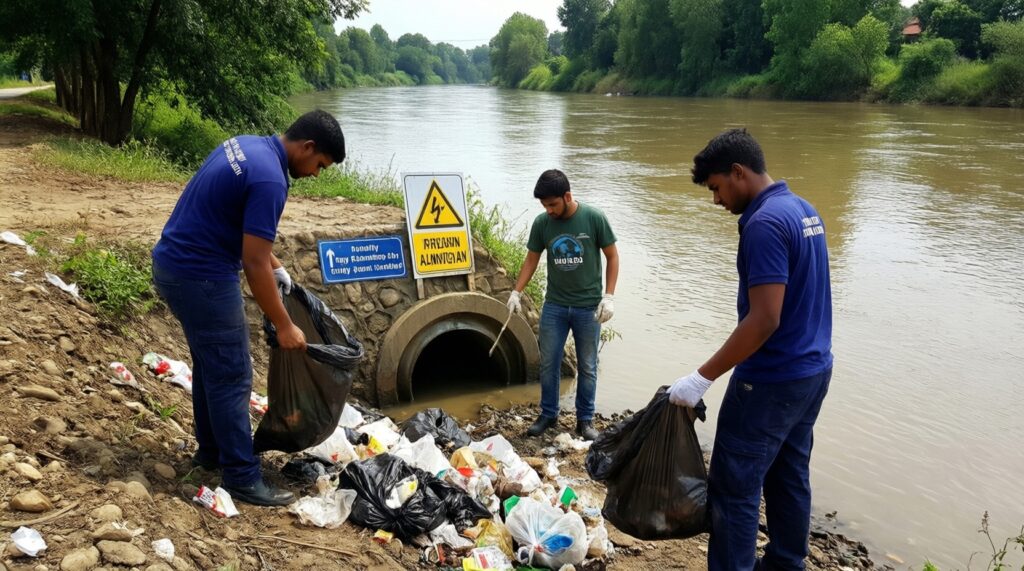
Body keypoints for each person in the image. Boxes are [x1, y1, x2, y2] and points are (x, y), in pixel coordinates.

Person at [151, 110, 345, 506]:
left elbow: (242, 232)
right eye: (320, 165)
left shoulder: (246, 146)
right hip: (202, 276)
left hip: (173, 264)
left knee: (211, 366)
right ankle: (241, 476)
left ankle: (211, 454)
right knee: (233, 374)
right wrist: (285, 324)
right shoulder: (271, 179)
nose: (316, 174)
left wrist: (277, 266)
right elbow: (253, 264)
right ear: (308, 147)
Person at [669, 129, 833, 570]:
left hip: (770, 381)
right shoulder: (804, 210)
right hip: (813, 371)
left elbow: (764, 319)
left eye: (716, 188)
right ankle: (786, 564)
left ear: (738, 173)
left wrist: (701, 377)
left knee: (734, 488)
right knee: (789, 474)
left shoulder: (764, 224)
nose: (716, 200)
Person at [507, 169, 619, 441]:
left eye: (552, 204)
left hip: (588, 308)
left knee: (588, 365)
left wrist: (609, 297)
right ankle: (548, 414)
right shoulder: (542, 224)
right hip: (555, 306)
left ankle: (585, 420)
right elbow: (531, 259)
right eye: (544, 205)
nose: (548, 210)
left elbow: (613, 256)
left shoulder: (593, 218)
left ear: (567, 196)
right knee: (549, 363)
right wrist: (516, 292)